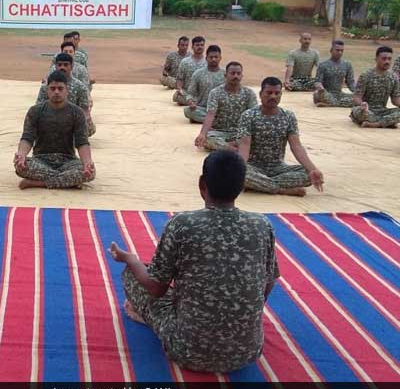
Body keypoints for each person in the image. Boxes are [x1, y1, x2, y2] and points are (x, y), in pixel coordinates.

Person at [109, 150, 279, 373]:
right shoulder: (262, 225)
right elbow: (268, 282)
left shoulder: (183, 224)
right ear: (242, 186)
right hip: (246, 352)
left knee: (134, 275)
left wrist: (130, 260)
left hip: (187, 350)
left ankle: (153, 320)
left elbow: (157, 288)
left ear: (202, 184)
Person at [237, 77, 324, 196]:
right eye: (269, 93)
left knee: (308, 174)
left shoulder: (288, 116)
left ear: (281, 95)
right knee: (236, 172)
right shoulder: (248, 116)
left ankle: (259, 186)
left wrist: (313, 169)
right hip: (253, 167)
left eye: (277, 93)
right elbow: (244, 146)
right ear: (261, 94)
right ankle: (281, 190)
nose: (273, 96)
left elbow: (296, 146)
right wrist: (240, 169)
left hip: (278, 168)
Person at [15, 70, 95, 189]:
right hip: (41, 160)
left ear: (67, 90)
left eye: (60, 88)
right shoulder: (35, 111)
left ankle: (39, 183)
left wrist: (87, 163)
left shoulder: (77, 113)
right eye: (52, 88)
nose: (56, 92)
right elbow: (27, 138)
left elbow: (82, 142)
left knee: (90, 173)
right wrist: (21, 155)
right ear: (47, 91)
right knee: (21, 166)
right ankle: (66, 181)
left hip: (68, 161)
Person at [195, 62, 257, 151]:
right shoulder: (215, 92)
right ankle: (233, 149)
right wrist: (202, 134)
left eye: (238, 74)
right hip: (219, 132)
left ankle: (226, 147)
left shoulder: (249, 93)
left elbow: (253, 116)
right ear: (225, 75)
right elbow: (210, 115)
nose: (236, 76)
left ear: (241, 76)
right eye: (232, 73)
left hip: (239, 133)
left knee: (255, 139)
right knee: (208, 139)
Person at [37, 53, 95, 136]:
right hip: (50, 120)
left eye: (66, 65)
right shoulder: (45, 87)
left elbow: (85, 110)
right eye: (59, 65)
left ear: (71, 66)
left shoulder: (80, 87)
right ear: (55, 66)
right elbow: (39, 108)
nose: (62, 67)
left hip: (73, 120)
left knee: (88, 126)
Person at [350, 46, 400, 128]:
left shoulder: (393, 77)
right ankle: (387, 122)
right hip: (366, 110)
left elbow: (396, 100)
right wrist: (362, 104)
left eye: (389, 59)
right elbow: (356, 97)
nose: (387, 61)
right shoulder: (366, 75)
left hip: (382, 111)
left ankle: (376, 124)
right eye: (384, 59)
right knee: (359, 112)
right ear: (376, 59)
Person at [183, 45, 225, 123]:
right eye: (211, 57)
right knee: (188, 111)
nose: (213, 59)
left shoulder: (225, 74)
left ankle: (209, 120)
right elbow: (190, 94)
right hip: (203, 108)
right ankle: (217, 121)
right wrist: (191, 102)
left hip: (220, 109)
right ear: (206, 58)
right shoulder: (198, 74)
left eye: (216, 57)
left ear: (220, 58)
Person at [313, 40, 355, 107]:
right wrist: (320, 88)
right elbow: (318, 81)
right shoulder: (323, 65)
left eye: (342, 51)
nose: (340, 52)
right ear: (331, 50)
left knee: (358, 99)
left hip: (339, 94)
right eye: (337, 50)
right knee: (317, 95)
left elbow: (351, 82)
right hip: (325, 93)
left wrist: (358, 93)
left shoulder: (347, 65)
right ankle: (332, 102)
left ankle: (330, 103)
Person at [174, 36, 206, 105]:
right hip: (188, 93)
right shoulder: (185, 62)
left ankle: (197, 102)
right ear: (192, 47)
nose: (200, 47)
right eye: (197, 45)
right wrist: (180, 89)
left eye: (202, 45)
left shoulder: (207, 62)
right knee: (178, 96)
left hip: (203, 94)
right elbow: (180, 79)